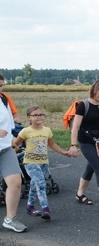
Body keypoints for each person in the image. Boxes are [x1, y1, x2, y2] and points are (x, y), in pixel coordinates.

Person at [67, 79, 99, 208]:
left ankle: (80, 194)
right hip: (86, 142)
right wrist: (73, 145)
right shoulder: (83, 105)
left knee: (90, 167)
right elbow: (75, 127)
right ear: (94, 90)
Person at [12, 106, 71, 219]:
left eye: (41, 115)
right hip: (30, 162)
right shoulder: (25, 131)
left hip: (43, 162)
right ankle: (45, 209)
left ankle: (30, 206)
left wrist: (63, 152)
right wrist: (11, 155)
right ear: (29, 117)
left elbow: (52, 144)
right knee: (41, 184)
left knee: (35, 185)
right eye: (35, 115)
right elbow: (16, 144)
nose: (38, 117)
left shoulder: (47, 130)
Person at [0, 82, 26, 232]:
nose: (0, 88)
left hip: (4, 148)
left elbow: (9, 123)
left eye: (1, 85)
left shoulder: (4, 99)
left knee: (15, 182)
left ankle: (10, 219)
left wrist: (12, 140)